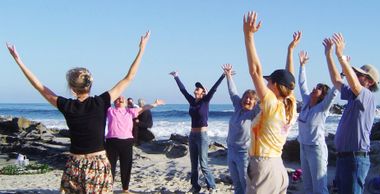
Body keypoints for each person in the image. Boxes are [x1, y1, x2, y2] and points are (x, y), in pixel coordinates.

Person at [6, 31, 150, 193]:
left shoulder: (67, 105)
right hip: (98, 164)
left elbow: (39, 86)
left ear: (72, 88)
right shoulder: (101, 102)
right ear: (90, 85)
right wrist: (142, 49)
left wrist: (19, 61)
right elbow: (129, 78)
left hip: (74, 165)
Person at [243, 11, 298, 194]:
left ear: (274, 85)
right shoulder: (290, 104)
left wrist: (248, 36)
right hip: (278, 168)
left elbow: (255, 71)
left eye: (269, 82)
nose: (265, 84)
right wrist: (290, 51)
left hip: (263, 167)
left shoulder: (272, 105)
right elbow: (290, 80)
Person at [325, 33, 380, 194]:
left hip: (355, 159)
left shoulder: (367, 96)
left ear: (369, 82)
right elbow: (336, 81)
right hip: (344, 158)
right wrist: (329, 55)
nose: (355, 76)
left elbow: (355, 85)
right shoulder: (353, 96)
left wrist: (340, 56)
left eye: (359, 75)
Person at [169, 69, 225, 193]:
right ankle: (195, 186)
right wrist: (176, 77)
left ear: (203, 92)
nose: (195, 90)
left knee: (203, 164)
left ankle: (212, 186)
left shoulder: (205, 101)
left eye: (198, 89)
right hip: (192, 135)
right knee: (193, 164)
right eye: (195, 88)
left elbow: (214, 89)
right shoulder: (192, 101)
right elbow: (183, 91)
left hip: (202, 135)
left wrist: (223, 76)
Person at [297, 49, 338, 194]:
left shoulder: (323, 107)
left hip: (316, 150)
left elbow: (334, 93)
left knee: (319, 187)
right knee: (307, 186)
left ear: (323, 95)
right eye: (316, 87)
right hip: (303, 147)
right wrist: (302, 65)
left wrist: (342, 76)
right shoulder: (307, 101)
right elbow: (302, 84)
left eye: (319, 89)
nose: (315, 89)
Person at [106, 96, 164, 193]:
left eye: (122, 99)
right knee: (110, 166)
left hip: (127, 142)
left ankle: (125, 189)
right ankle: (108, 188)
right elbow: (104, 103)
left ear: (125, 103)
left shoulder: (130, 111)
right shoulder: (110, 111)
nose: (120, 100)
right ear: (114, 102)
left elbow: (144, 108)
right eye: (118, 99)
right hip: (112, 141)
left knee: (126, 166)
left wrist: (155, 104)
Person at [222, 64, 260, 194]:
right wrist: (228, 76)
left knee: (245, 183)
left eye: (251, 98)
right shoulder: (238, 107)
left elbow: (265, 101)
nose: (247, 100)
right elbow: (233, 92)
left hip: (244, 153)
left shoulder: (254, 113)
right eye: (246, 97)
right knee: (236, 183)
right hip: (231, 150)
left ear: (255, 102)